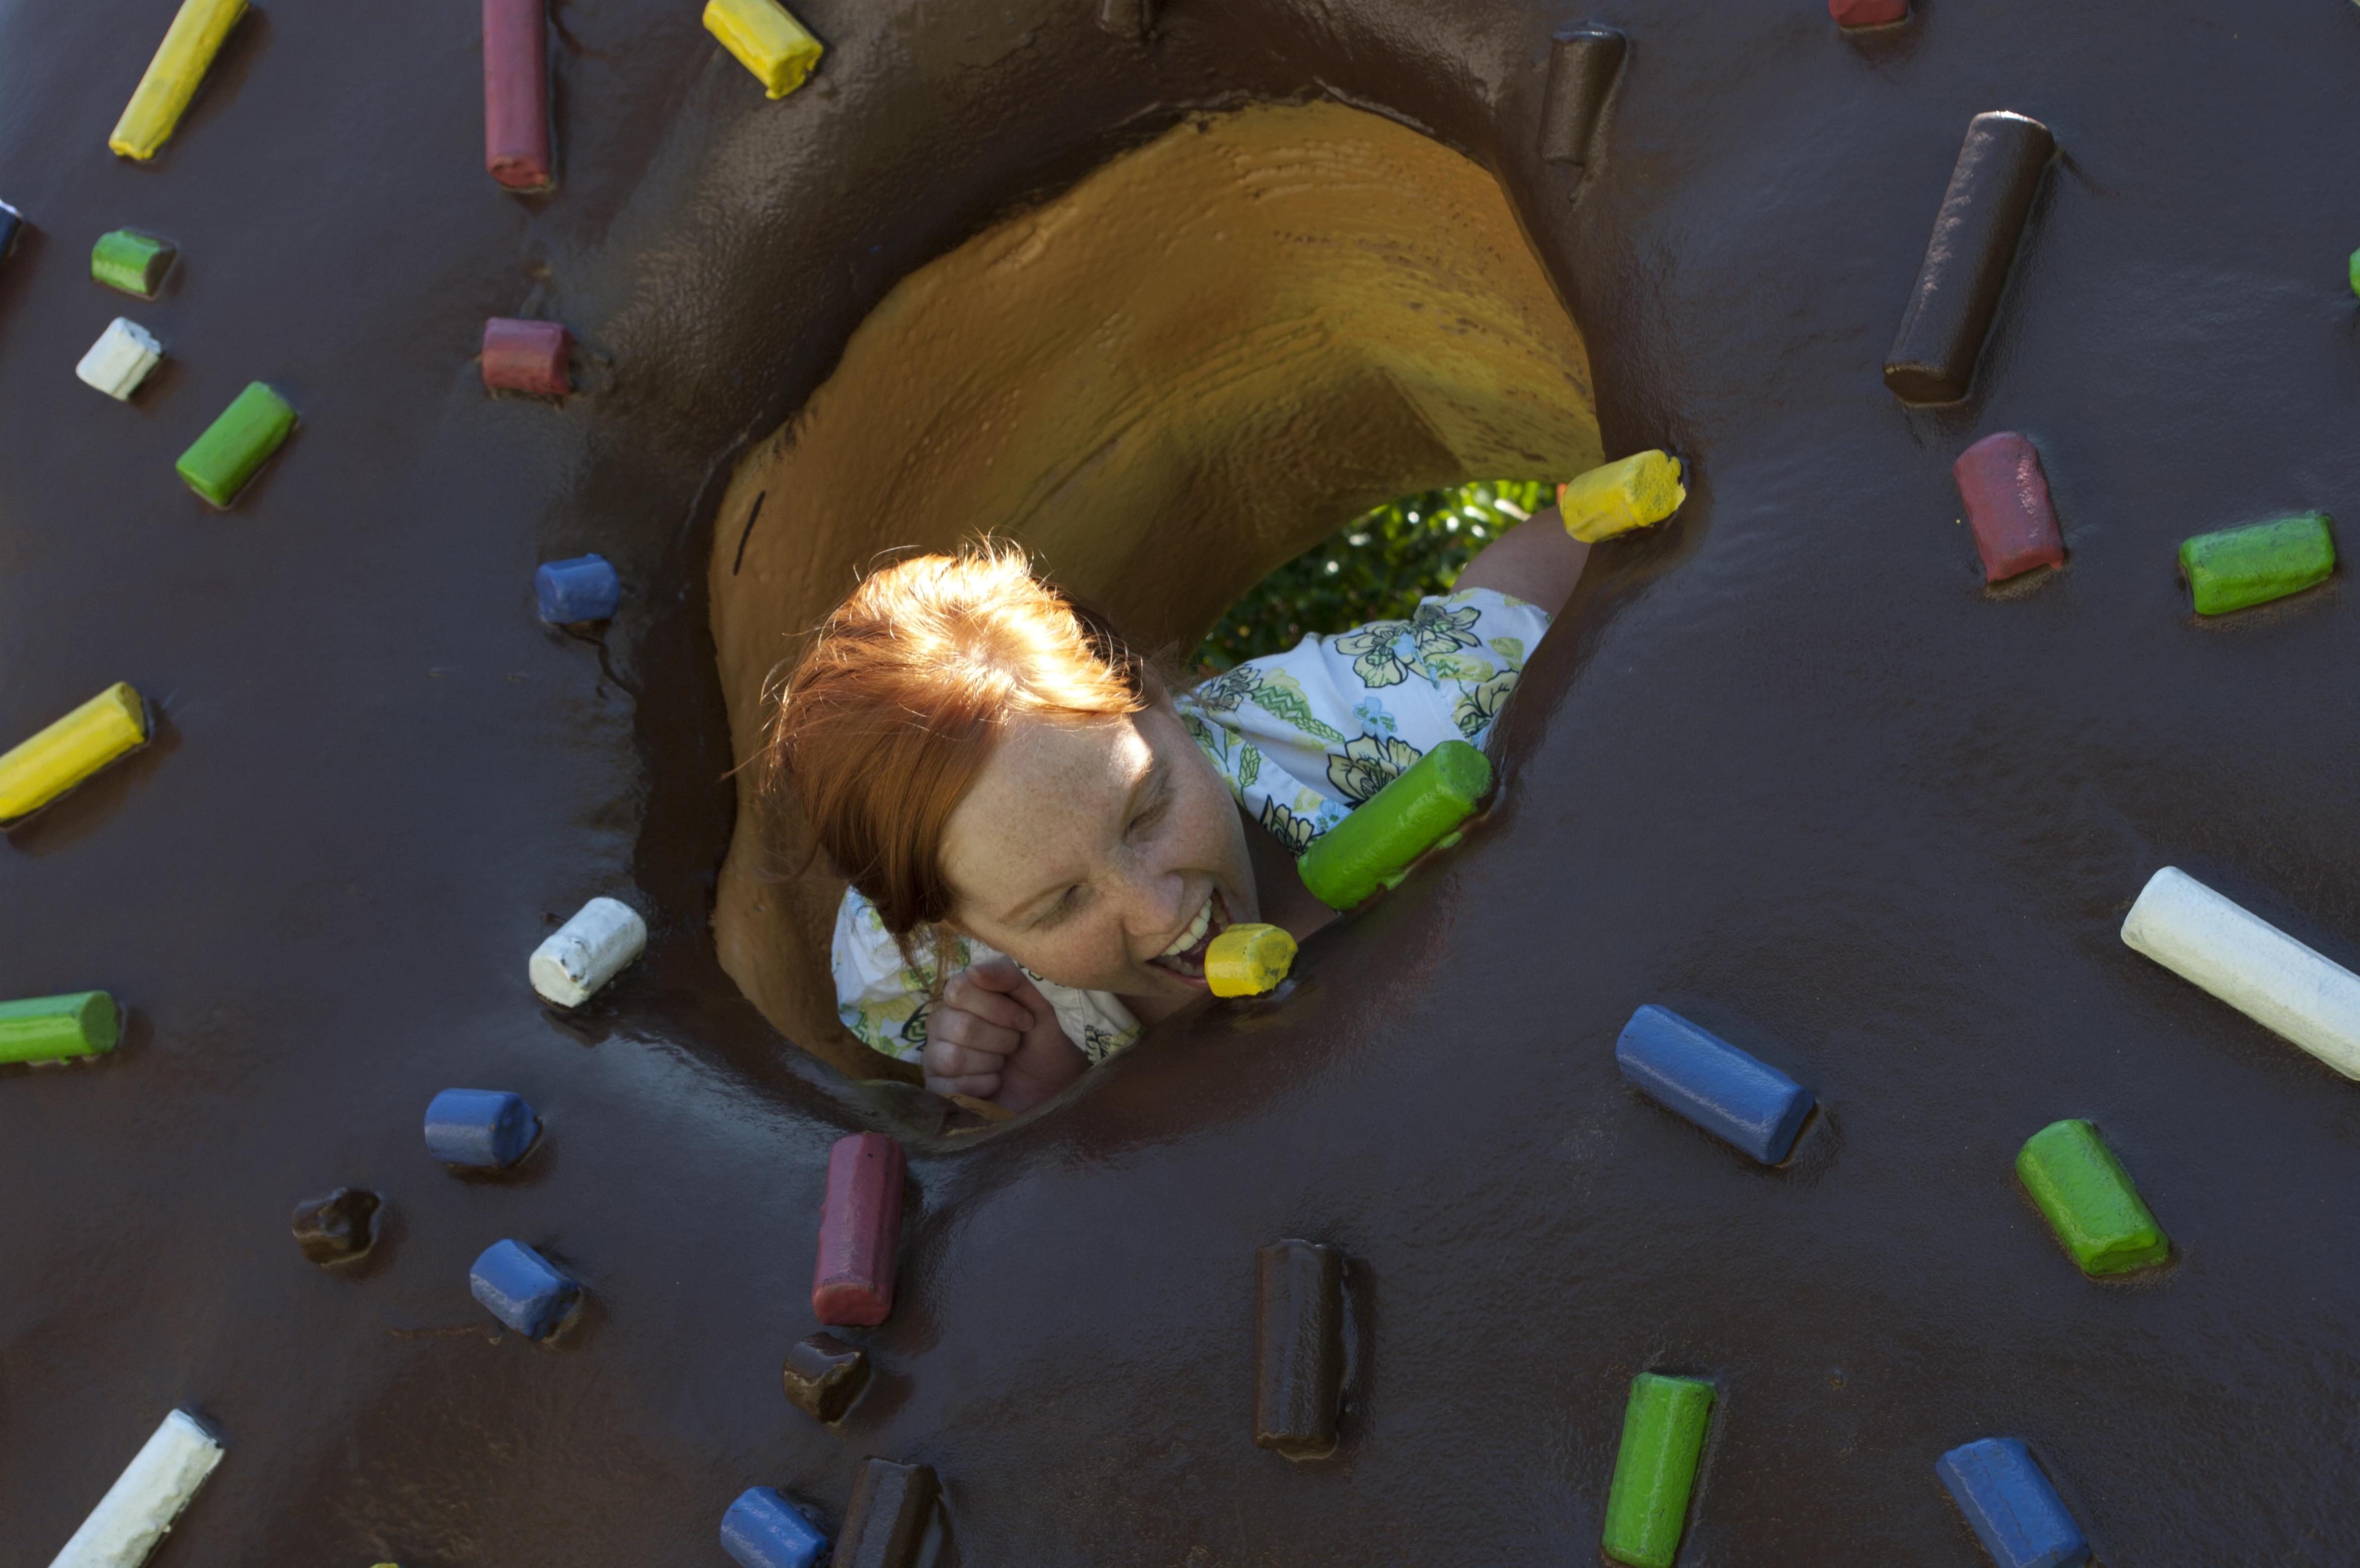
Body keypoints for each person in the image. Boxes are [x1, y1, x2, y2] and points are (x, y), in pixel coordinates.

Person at [764, 506, 1591, 1111]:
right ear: (964, 932)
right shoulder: (910, 971)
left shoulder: (1397, 721)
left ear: (1156, 698)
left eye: (1145, 812)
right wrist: (1037, 1115)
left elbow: (1541, 586)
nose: (1165, 910)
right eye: (1062, 903)